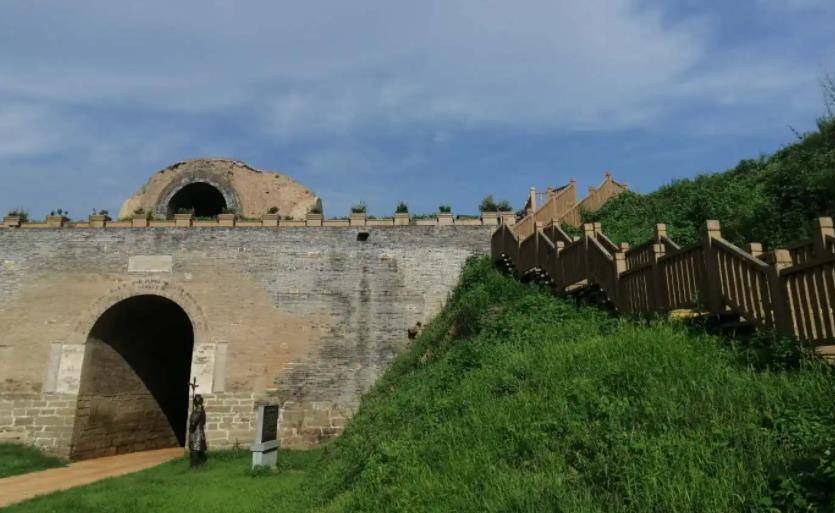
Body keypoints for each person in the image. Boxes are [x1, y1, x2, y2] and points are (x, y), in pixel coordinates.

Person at [188, 394, 207, 468]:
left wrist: (191, 429)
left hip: (196, 433)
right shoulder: (202, 410)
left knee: (194, 450)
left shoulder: (197, 411)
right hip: (200, 431)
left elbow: (193, 422)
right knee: (199, 450)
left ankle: (195, 466)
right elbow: (204, 421)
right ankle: (201, 464)